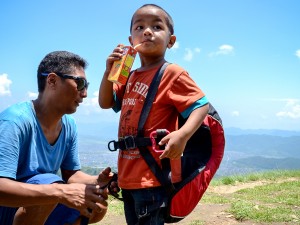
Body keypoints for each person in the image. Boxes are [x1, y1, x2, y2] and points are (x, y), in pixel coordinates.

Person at [98, 4, 209, 225]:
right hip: (129, 175)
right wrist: (108, 71)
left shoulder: (172, 73)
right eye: (140, 27)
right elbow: (105, 102)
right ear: (131, 41)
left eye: (157, 27)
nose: (147, 31)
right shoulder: (128, 76)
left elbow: (201, 105)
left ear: (171, 41)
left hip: (152, 178)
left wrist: (182, 135)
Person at [0, 51, 116, 225]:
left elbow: (71, 174)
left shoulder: (68, 124)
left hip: (36, 206)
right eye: (80, 83)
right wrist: (60, 192)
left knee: (96, 202)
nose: (84, 93)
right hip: (7, 208)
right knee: (49, 183)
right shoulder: (15, 121)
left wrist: (97, 182)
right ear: (52, 81)